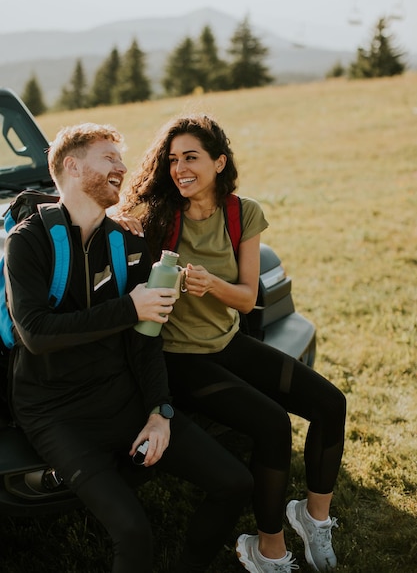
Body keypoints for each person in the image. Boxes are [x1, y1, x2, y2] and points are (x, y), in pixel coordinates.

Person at [4, 123, 254, 573]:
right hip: (54, 411)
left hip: (120, 396)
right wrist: (129, 306)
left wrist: (160, 411)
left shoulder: (127, 242)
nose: (123, 166)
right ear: (72, 167)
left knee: (235, 482)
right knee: (134, 532)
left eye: (121, 158)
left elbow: (145, 341)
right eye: (109, 158)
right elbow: (36, 334)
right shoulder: (28, 241)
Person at [117, 113, 347, 573]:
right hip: (178, 359)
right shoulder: (157, 217)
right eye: (173, 159)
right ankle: (268, 549)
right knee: (272, 424)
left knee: (330, 403)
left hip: (225, 342)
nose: (180, 168)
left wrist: (210, 285)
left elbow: (245, 299)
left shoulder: (244, 212)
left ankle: (313, 518)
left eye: (192, 157)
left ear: (219, 162)